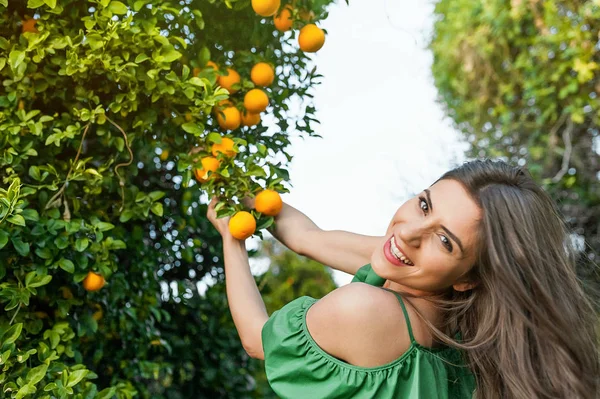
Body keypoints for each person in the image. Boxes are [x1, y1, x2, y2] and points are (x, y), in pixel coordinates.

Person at [207, 159, 599, 398]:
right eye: (424, 204)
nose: (409, 232)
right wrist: (240, 190)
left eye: (444, 241)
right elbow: (308, 238)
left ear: (468, 279)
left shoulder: (364, 310)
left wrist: (232, 238)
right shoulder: (421, 281)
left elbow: (257, 340)